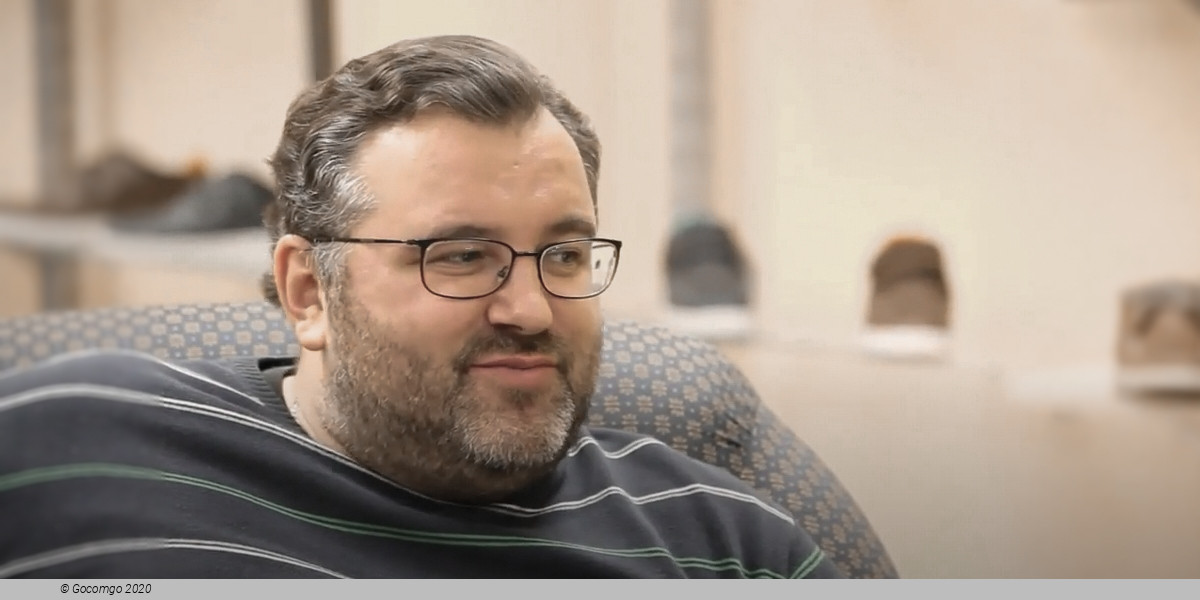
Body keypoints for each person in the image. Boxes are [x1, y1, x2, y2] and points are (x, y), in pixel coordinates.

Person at [0, 35, 842, 579]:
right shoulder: (74, 440)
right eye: (462, 257)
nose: (531, 310)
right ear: (308, 291)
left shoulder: (721, 543)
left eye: (563, 255)